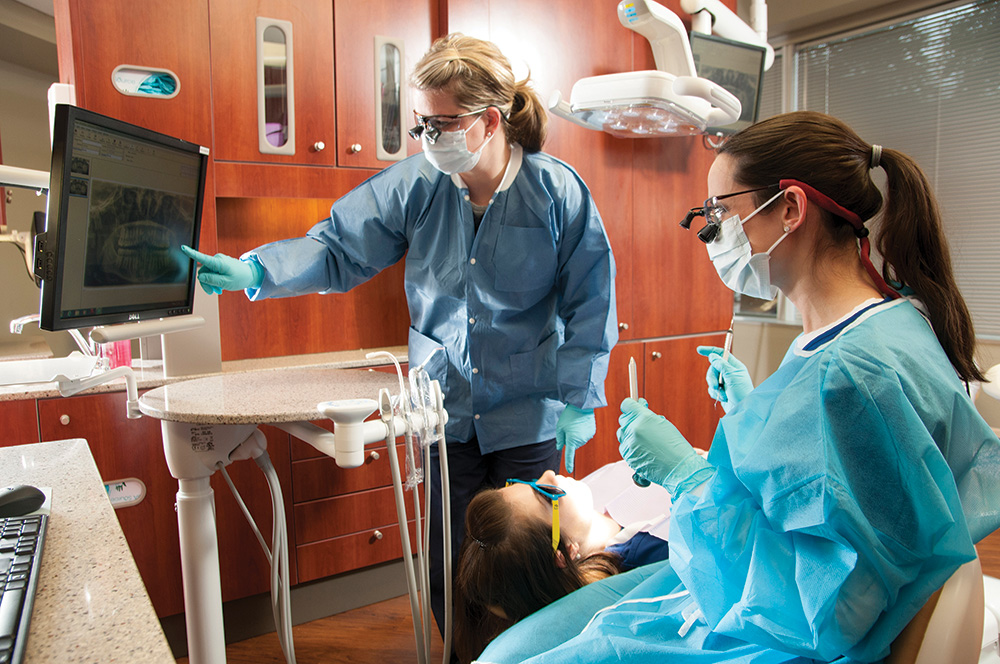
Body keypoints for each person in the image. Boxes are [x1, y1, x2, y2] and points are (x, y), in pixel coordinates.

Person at [495, 111, 1000, 664]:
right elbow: (844, 480)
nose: (711, 234)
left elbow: (824, 611)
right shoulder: (880, 322)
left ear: (789, 209)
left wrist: (687, 481)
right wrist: (755, 408)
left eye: (721, 214)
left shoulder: (848, 374)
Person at [180, 33, 618, 635]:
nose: (427, 138)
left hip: (531, 416)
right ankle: (462, 655)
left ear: (488, 121)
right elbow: (336, 247)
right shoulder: (417, 184)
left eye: (440, 123)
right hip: (444, 410)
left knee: (535, 567)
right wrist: (256, 269)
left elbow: (592, 301)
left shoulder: (556, 192)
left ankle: (541, 652)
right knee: (451, 562)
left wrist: (580, 399)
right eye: (421, 124)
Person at [454, 462, 674, 662]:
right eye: (549, 495)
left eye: (529, 483)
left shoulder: (583, 504)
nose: (549, 474)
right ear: (563, 554)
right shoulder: (653, 556)